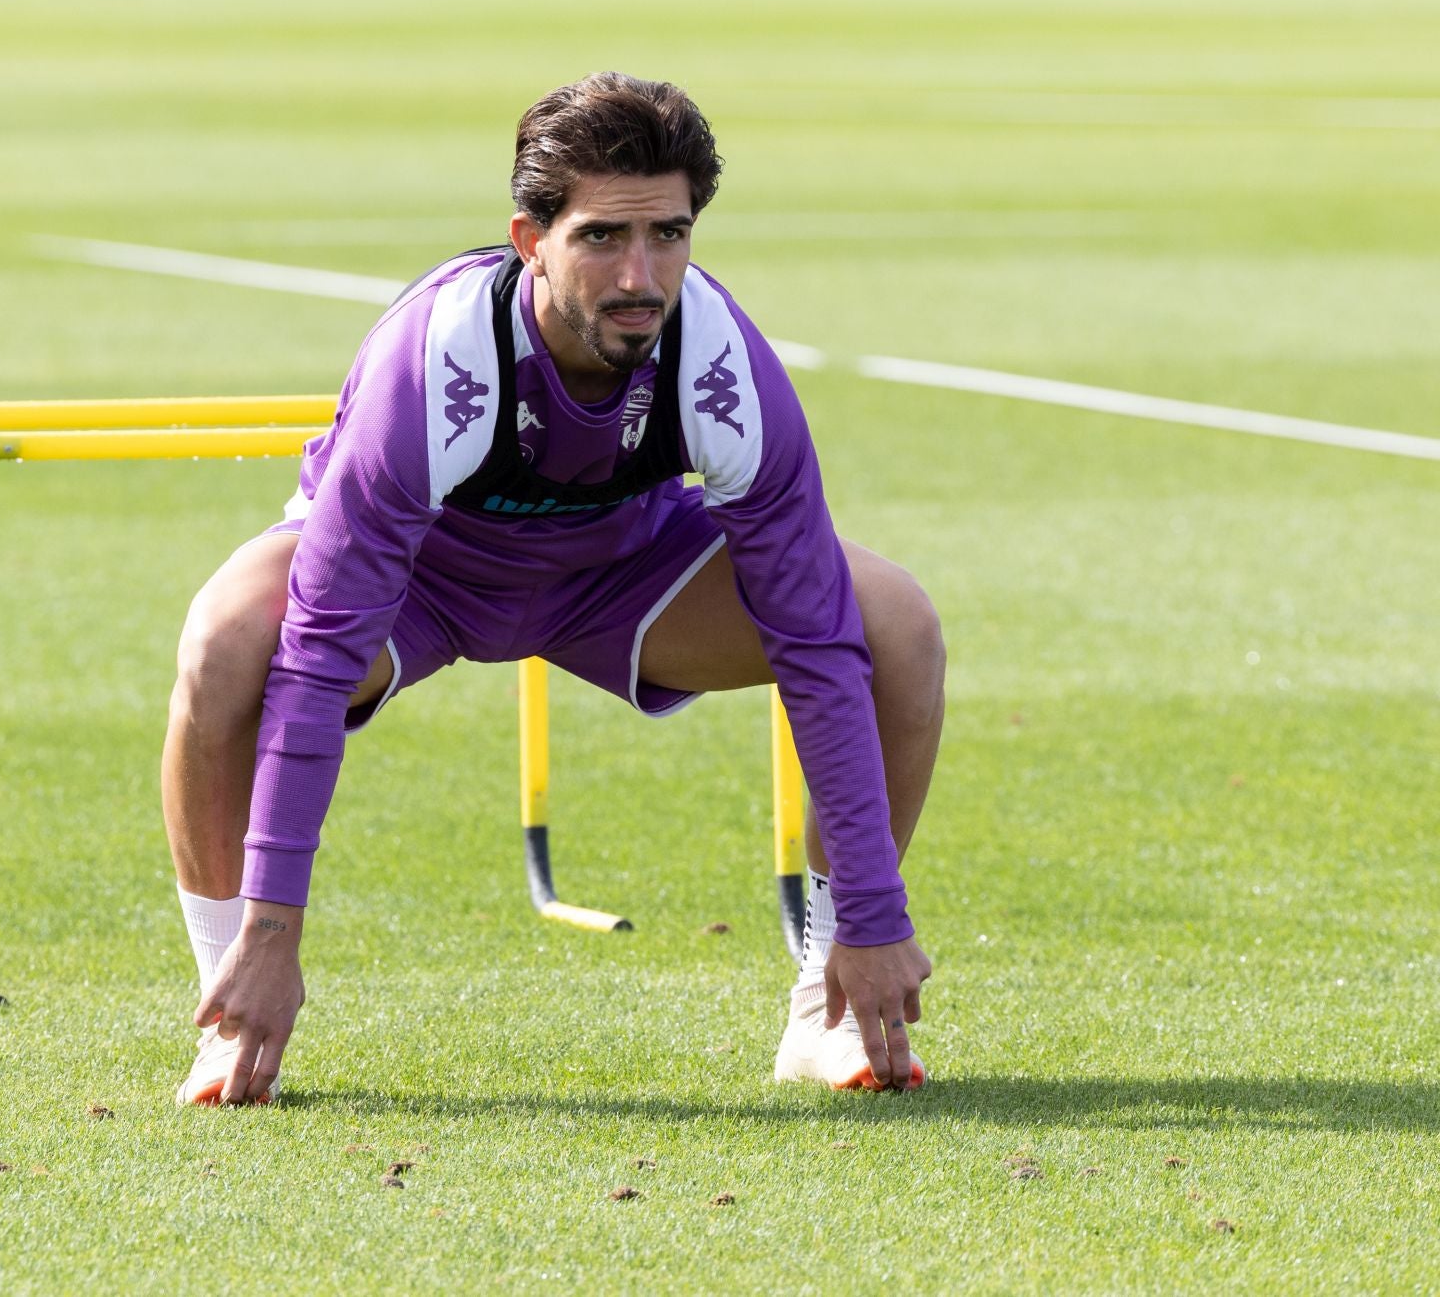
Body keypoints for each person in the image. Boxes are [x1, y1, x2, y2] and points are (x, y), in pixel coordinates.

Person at [163, 72, 943, 1106]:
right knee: (228, 639)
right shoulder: (439, 360)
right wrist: (272, 930)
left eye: (668, 234)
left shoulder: (722, 362)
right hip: (418, 579)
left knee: (892, 620)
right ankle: (230, 1007)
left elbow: (815, 640)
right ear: (530, 239)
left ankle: (826, 1011)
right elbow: (317, 656)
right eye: (601, 239)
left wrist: (874, 918)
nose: (641, 274)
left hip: (623, 575)